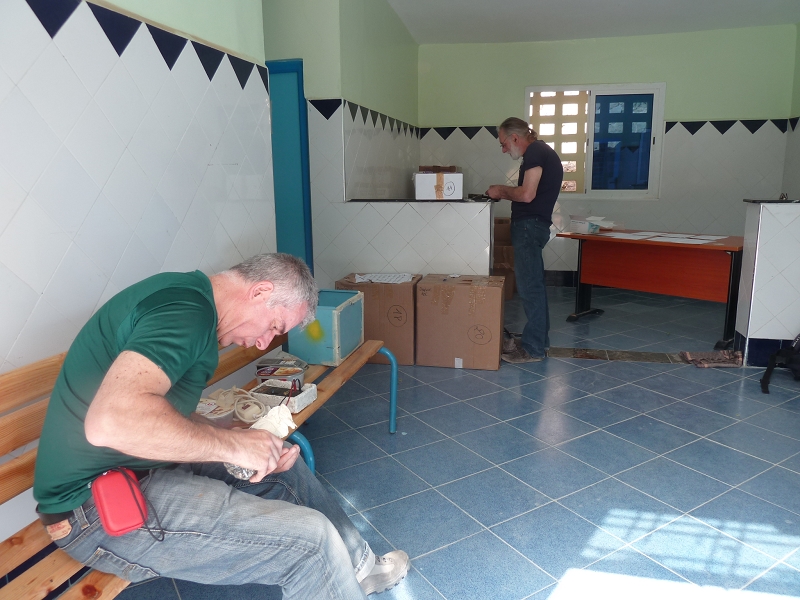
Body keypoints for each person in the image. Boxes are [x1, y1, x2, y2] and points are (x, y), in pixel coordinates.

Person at [33, 253, 408, 599]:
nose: (263, 342)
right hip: (92, 506)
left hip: (138, 465)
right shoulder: (186, 312)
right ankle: (331, 574)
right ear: (260, 291)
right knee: (311, 545)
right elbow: (110, 422)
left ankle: (358, 569)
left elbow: (160, 412)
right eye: (273, 326)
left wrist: (236, 439)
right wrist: (232, 446)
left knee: (281, 465)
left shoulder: (192, 305)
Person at [487, 117, 564, 363]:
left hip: (529, 227)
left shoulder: (536, 152)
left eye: (504, 143)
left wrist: (500, 191)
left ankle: (533, 349)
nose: (503, 149)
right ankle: (539, 342)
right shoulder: (541, 152)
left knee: (530, 287)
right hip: (533, 226)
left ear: (515, 137)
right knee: (534, 286)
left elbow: (527, 194)